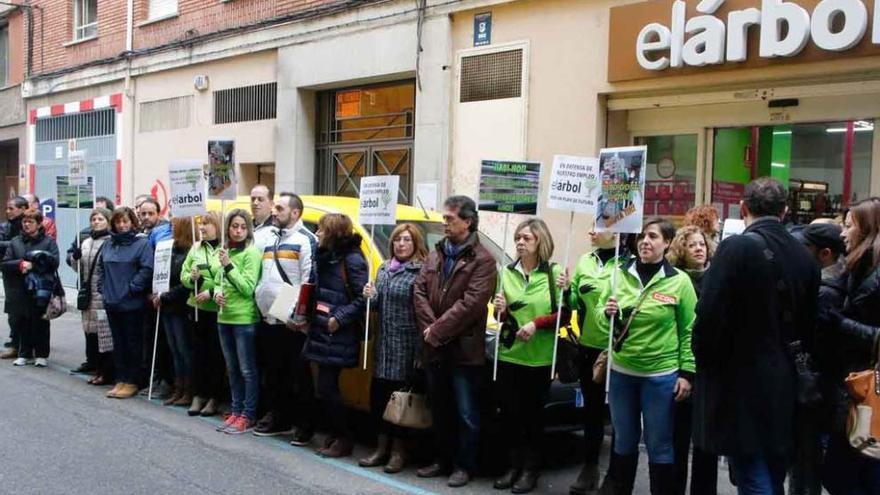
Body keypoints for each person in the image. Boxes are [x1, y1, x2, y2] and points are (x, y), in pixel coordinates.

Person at [693, 177, 820, 495]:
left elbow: (709, 317)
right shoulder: (805, 256)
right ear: (785, 211)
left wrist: (706, 363)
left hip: (740, 382)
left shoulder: (735, 248)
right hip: (786, 380)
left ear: (743, 208)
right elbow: (809, 321)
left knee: (752, 472)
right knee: (773, 470)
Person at [593, 217, 697, 495]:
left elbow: (689, 331)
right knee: (623, 440)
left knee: (659, 444)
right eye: (641, 236)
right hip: (622, 374)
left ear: (667, 243)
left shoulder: (680, 282)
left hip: (660, 377)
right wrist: (607, 314)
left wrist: (687, 373)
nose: (645, 242)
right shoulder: (619, 274)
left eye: (652, 236)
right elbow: (600, 319)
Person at [413, 195, 496, 488]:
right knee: (440, 408)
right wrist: (431, 330)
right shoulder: (436, 254)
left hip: (463, 350)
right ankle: (441, 459)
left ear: (467, 221)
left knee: (466, 413)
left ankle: (464, 465)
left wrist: (437, 331)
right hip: (434, 347)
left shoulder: (483, 260)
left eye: (449, 218)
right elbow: (419, 290)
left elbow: (472, 304)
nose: (444, 223)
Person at [492, 219, 570, 494]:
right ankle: (512, 466)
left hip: (539, 358)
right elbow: (499, 315)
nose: (520, 242)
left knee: (532, 417)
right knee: (510, 415)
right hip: (510, 354)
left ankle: (530, 470)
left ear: (541, 242)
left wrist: (536, 323)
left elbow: (565, 315)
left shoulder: (554, 274)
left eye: (527, 238)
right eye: (518, 238)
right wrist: (498, 309)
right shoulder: (506, 272)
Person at [359, 223, 428, 473]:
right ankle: (380, 448)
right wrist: (370, 295)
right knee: (379, 400)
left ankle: (399, 452)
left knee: (400, 402)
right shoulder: (384, 268)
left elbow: (423, 312)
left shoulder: (421, 271)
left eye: (406, 240)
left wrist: (421, 352)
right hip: (384, 346)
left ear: (415, 244)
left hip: (406, 346)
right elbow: (377, 305)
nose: (401, 244)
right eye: (397, 239)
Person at [562, 230, 627, 495]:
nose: (591, 231)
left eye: (599, 227)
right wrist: (566, 290)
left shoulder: (630, 263)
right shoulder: (586, 261)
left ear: (618, 233)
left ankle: (616, 475)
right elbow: (575, 303)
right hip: (590, 348)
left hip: (621, 350)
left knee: (621, 417)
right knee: (592, 413)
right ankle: (589, 468)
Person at [822, 199, 880, 493]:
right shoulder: (857, 267)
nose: (843, 232)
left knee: (856, 471)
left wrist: (841, 324)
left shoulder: (872, 274)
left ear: (868, 228)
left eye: (849, 225)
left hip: (867, 389)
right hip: (853, 385)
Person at [253, 193, 318, 443]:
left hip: (290, 320)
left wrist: (296, 314)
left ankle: (305, 424)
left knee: (298, 374)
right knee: (274, 372)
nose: (274, 211)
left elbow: (307, 280)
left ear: (295, 213)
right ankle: (279, 416)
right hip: (268, 316)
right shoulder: (269, 238)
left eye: (280, 208)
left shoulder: (305, 240)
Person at [302, 213, 368, 458]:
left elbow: (364, 297)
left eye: (321, 229)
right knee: (324, 387)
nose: (317, 233)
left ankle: (344, 437)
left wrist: (339, 318)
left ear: (332, 233)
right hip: (321, 329)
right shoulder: (325, 256)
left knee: (328, 387)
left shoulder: (352, 259)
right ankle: (335, 433)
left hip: (337, 333)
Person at [791, 223, 847, 495]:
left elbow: (818, 345)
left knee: (807, 462)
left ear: (824, 254)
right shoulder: (833, 282)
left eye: (806, 248)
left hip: (817, 390)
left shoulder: (825, 291)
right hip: (822, 389)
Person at [666, 225, 719, 495]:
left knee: (705, 442)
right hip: (680, 366)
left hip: (710, 369)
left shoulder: (718, 278)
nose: (699, 248)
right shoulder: (675, 280)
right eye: (691, 245)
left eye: (702, 244)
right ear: (681, 251)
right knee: (678, 436)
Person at [212, 209, 263, 435]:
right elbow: (216, 280)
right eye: (234, 226)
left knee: (247, 370)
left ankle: (248, 414)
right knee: (231, 368)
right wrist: (215, 293)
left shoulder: (251, 253)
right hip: (224, 317)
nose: (239, 230)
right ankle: (235, 409)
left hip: (244, 319)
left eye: (243, 226)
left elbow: (247, 288)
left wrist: (229, 266)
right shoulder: (225, 251)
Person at [99, 206, 154, 399]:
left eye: (126, 221)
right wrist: (103, 290)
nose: (122, 225)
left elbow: (146, 269)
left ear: (132, 222)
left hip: (132, 304)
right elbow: (101, 270)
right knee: (118, 344)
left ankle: (132, 381)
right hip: (112, 302)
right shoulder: (107, 244)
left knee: (132, 344)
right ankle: (120, 379)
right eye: (118, 222)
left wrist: (132, 288)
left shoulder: (142, 244)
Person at [180, 212, 227, 417]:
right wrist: (191, 279)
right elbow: (183, 274)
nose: (202, 227)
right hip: (196, 309)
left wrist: (210, 290)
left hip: (216, 310)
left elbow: (225, 277)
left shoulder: (224, 249)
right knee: (197, 354)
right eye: (201, 223)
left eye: (207, 223)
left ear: (217, 226)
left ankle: (213, 397)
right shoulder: (195, 248)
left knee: (215, 355)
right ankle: (198, 394)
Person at [1, 209, 59, 367]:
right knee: (22, 321)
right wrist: (20, 264)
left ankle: (41, 354)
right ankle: (24, 354)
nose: (26, 225)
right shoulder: (15, 242)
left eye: (30, 222)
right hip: (20, 289)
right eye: (24, 221)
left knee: (41, 322)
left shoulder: (48, 242)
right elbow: (5, 263)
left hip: (41, 289)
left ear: (39, 224)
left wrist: (35, 264)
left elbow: (55, 262)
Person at [66, 196, 115, 374]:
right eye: (93, 219)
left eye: (100, 219)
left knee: (102, 331)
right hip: (87, 292)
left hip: (101, 292)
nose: (96, 222)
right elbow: (78, 268)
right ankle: (91, 361)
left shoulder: (110, 242)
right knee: (88, 328)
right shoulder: (86, 242)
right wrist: (75, 258)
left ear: (108, 222)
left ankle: (104, 367)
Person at [157, 217, 196, 407]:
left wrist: (166, 295)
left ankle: (188, 390)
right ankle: (178, 388)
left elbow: (185, 284)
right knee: (175, 350)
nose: (171, 228)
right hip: (168, 305)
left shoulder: (191, 251)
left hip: (181, 307)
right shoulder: (171, 249)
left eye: (174, 225)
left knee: (184, 350)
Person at [0, 196, 28, 359]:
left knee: (31, 311)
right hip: (10, 272)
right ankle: (14, 343)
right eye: (7, 208)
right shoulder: (5, 227)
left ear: (23, 208)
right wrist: (16, 244)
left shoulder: (31, 224)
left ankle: (30, 345)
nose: (8, 211)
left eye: (12, 208)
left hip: (29, 272)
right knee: (13, 310)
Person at [250, 184, 275, 249]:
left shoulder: (278, 229)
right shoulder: (244, 227)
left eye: (260, 199)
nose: (255, 203)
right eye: (253, 199)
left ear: (271, 204)